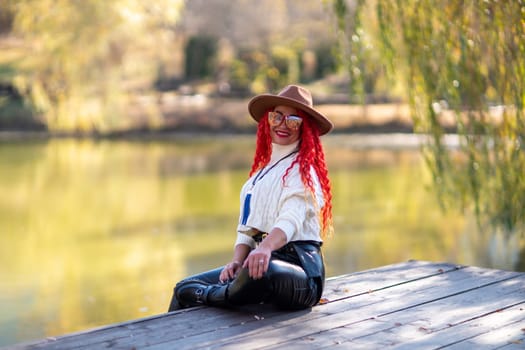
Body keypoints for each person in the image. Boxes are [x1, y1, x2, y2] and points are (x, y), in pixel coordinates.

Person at [168, 84, 334, 311]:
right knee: (184, 286)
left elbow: (291, 218)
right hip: (257, 263)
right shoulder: (259, 175)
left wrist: (265, 248)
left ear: (305, 128)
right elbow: (247, 227)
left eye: (293, 120)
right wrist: (237, 261)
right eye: (277, 117)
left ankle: (214, 294)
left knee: (263, 271)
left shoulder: (305, 171)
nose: (283, 125)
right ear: (269, 120)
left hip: (300, 273)